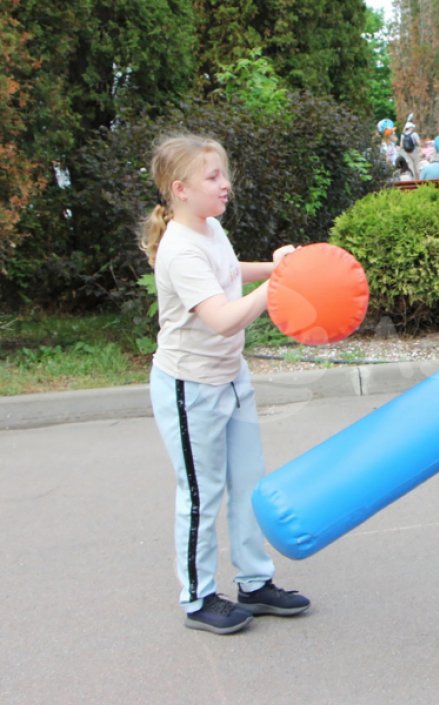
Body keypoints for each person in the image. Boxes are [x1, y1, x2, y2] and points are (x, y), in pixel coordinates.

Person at [139, 134, 311, 636]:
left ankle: (255, 584)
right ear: (181, 189)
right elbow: (223, 319)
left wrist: (277, 267)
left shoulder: (209, 228)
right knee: (201, 494)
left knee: (249, 484)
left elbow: (228, 271)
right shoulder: (178, 249)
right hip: (190, 387)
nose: (225, 184)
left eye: (224, 174)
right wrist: (277, 286)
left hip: (231, 377)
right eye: (212, 177)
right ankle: (198, 598)